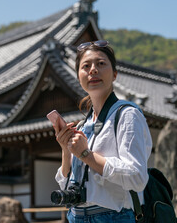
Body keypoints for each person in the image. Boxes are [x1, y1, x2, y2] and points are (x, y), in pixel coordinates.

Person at [53, 40, 152, 222]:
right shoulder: (83, 126)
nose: (93, 70)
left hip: (114, 217)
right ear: (78, 76)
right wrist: (66, 151)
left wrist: (85, 154)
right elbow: (67, 182)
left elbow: (137, 178)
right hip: (76, 216)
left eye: (101, 64)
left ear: (114, 74)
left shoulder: (127, 114)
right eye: (86, 66)